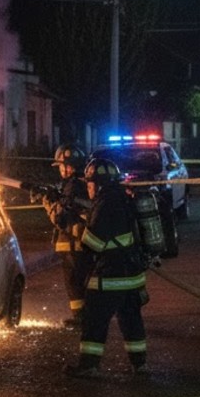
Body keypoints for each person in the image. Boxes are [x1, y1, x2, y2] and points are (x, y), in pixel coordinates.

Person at [65, 157, 148, 378]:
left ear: (98, 184)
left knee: (94, 321)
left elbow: (94, 243)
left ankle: (89, 366)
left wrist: (75, 227)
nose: (88, 188)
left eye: (90, 183)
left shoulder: (105, 203)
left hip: (110, 276)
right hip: (132, 275)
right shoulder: (122, 198)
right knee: (131, 321)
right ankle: (139, 364)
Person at [43, 143, 92, 328]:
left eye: (62, 166)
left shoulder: (72, 186)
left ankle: (80, 318)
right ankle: (86, 316)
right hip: (85, 243)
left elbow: (60, 219)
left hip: (73, 244)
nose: (61, 170)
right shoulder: (85, 183)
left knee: (74, 283)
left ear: (69, 166)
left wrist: (47, 202)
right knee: (83, 282)